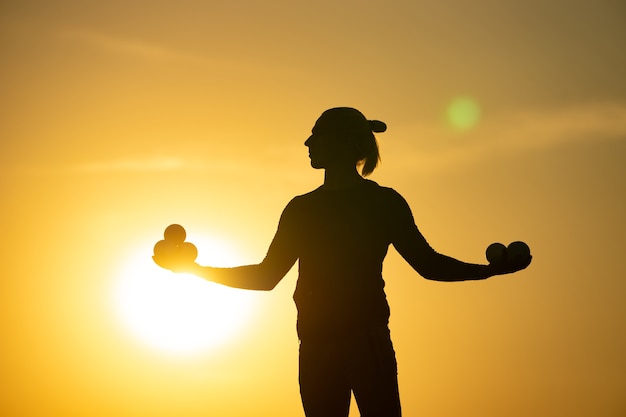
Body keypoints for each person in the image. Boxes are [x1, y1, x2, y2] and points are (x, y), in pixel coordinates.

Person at [153, 107, 531, 417]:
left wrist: (489, 271)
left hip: (366, 342)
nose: (307, 141)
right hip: (317, 345)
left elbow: (428, 265)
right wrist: (193, 271)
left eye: (317, 134)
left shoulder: (381, 203)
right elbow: (267, 276)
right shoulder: (303, 209)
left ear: (344, 143)